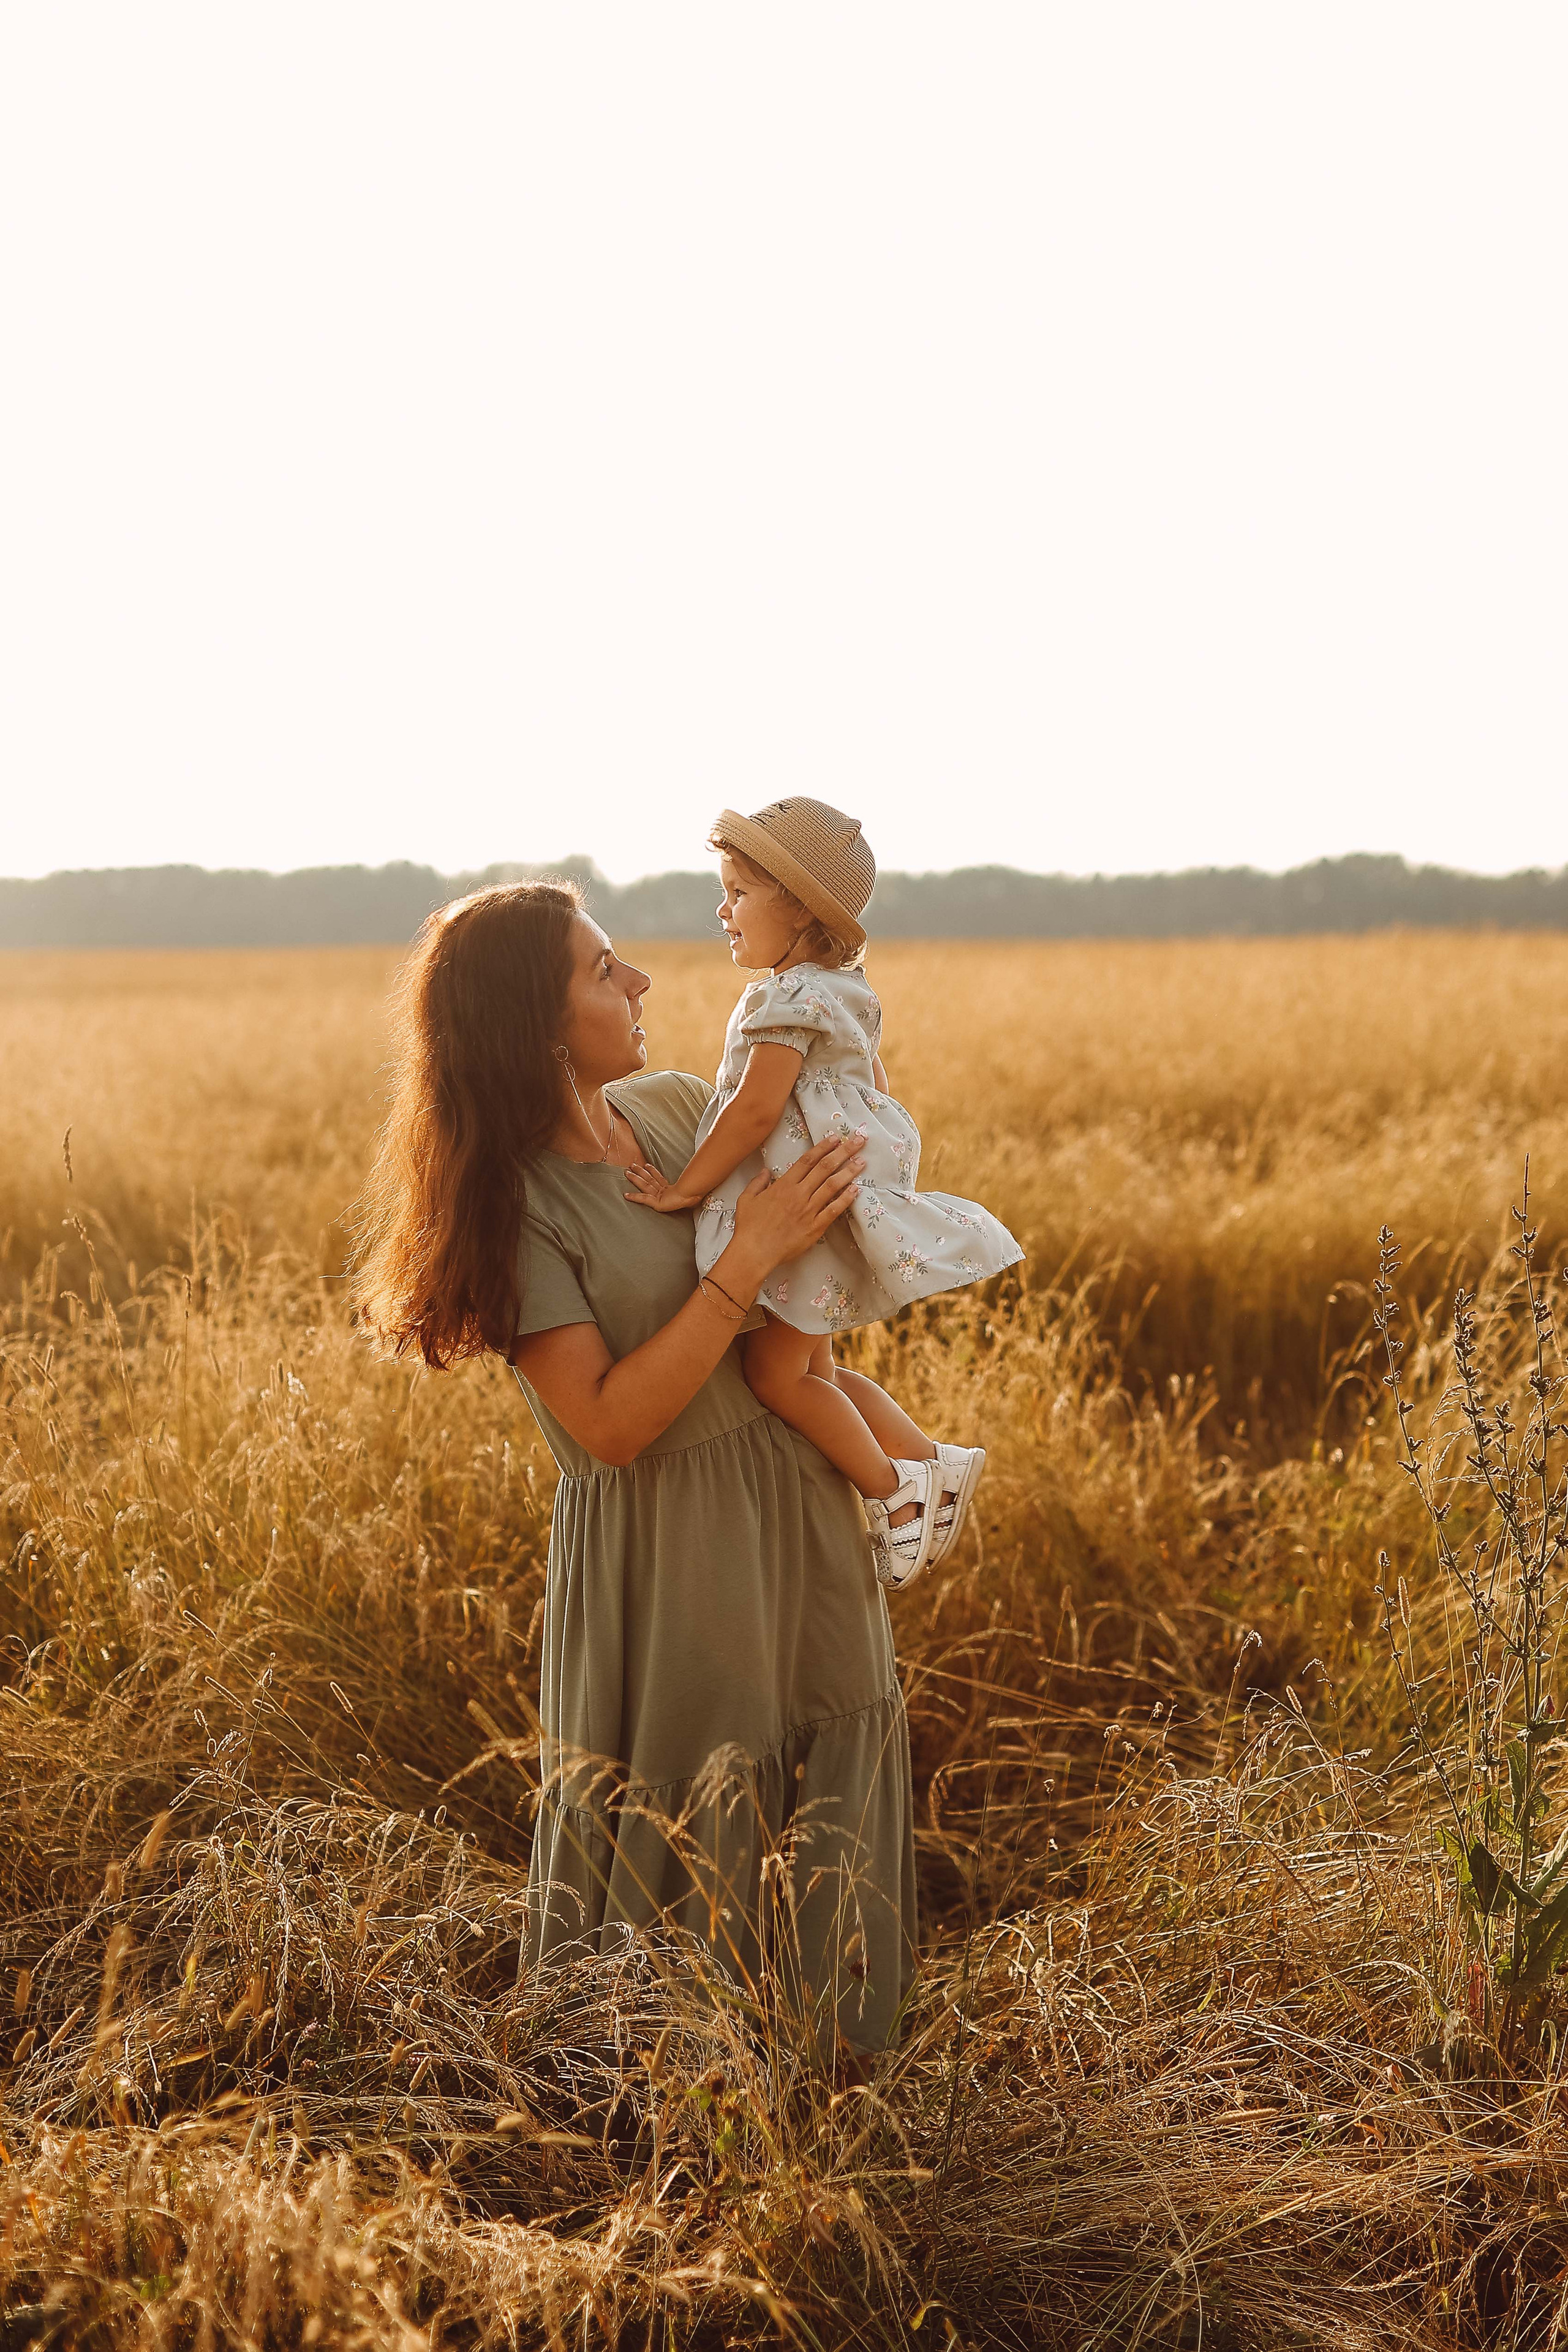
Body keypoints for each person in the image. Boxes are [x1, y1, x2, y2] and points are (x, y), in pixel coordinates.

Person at [353, 880, 918, 2060]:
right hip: (676, 1560)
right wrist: (746, 1255)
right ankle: (672, 2123)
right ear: (534, 1019)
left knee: (831, 1786)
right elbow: (608, 1426)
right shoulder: (512, 1210)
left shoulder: (675, 1114)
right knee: (694, 1817)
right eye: (604, 969)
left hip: (796, 1514)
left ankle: (835, 2091)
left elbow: (802, 1270)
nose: (642, 982)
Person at [623, 797, 1023, 1586]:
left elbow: (755, 1109)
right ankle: (927, 1456)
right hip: (828, 1204)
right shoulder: (846, 986)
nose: (723, 910)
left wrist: (684, 1189)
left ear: (800, 907)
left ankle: (897, 1497)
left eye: (739, 892)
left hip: (793, 1211)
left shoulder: (782, 997)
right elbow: (877, 1090)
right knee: (818, 1378)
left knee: (779, 1379)